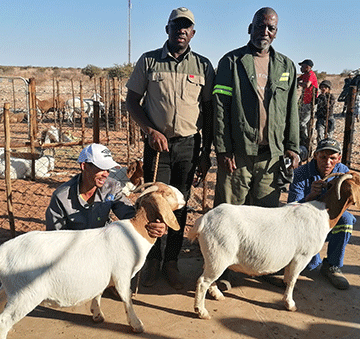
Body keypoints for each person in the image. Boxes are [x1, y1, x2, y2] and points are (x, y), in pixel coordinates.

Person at [125, 7, 215, 290]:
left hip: (189, 146)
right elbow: (131, 101)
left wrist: (205, 154)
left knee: (179, 204)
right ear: (167, 29)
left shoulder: (203, 65)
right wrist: (150, 130)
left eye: (186, 27)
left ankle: (171, 262)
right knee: (152, 202)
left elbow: (210, 111)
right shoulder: (149, 61)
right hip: (157, 146)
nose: (181, 31)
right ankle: (151, 260)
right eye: (176, 25)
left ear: (193, 33)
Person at [212, 7, 299, 289]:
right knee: (229, 213)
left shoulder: (286, 66)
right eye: (260, 26)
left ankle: (261, 268)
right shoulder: (232, 61)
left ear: (276, 32)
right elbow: (221, 107)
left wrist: (293, 148)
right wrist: (223, 149)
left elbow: (292, 111)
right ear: (250, 28)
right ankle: (221, 272)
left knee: (267, 217)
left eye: (271, 28)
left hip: (271, 156)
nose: (265, 32)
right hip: (238, 154)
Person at [46, 143, 166, 238]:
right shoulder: (61, 197)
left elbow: (130, 215)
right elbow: (54, 237)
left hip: (102, 243)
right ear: (84, 166)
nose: (106, 174)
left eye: (108, 169)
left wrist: (152, 223)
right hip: (73, 247)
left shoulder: (112, 187)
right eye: (102, 168)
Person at [288, 138, 355, 290]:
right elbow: (290, 209)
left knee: (346, 219)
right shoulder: (301, 173)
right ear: (315, 156)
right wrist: (310, 196)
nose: (328, 162)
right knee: (311, 266)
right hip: (303, 228)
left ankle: (332, 265)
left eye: (332, 158)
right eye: (323, 157)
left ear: (338, 159)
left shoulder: (343, 172)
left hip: (325, 227)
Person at [297, 59, 318, 147]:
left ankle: (305, 139)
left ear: (308, 67)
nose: (301, 68)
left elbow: (307, 85)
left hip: (310, 103)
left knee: (303, 123)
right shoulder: (305, 75)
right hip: (305, 101)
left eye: (302, 66)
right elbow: (298, 78)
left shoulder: (311, 74)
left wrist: (298, 84)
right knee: (301, 120)